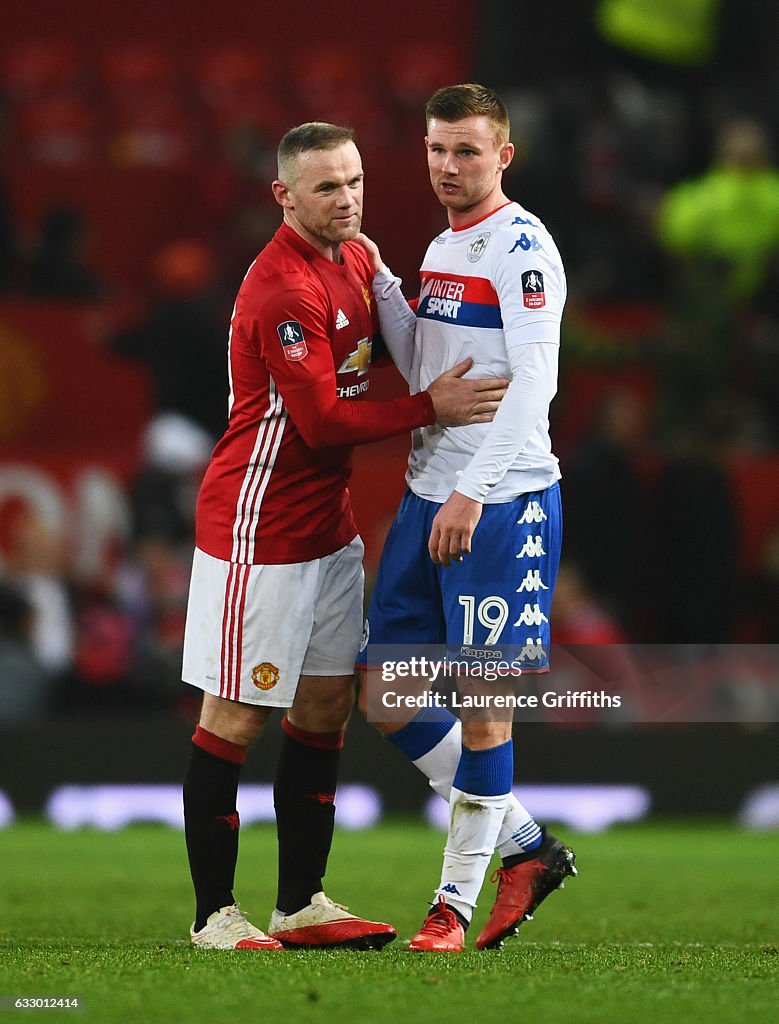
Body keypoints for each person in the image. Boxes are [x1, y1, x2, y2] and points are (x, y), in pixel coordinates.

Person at [181, 121, 507, 951]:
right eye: (327, 187)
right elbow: (323, 422)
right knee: (236, 714)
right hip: (261, 529)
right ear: (283, 196)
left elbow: (397, 343)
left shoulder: (357, 258)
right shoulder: (280, 289)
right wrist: (428, 408)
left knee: (325, 710)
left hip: (325, 527)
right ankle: (214, 914)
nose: (347, 199)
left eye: (355, 181)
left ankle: (300, 904)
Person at [355, 84, 576, 952]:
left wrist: (474, 491)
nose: (449, 167)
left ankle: (449, 908)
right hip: (426, 494)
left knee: (484, 711)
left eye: (467, 152)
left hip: (501, 498)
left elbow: (535, 383)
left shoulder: (522, 247)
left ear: (503, 157)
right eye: (437, 150)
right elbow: (423, 368)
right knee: (385, 697)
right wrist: (378, 281)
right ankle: (527, 846)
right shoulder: (447, 244)